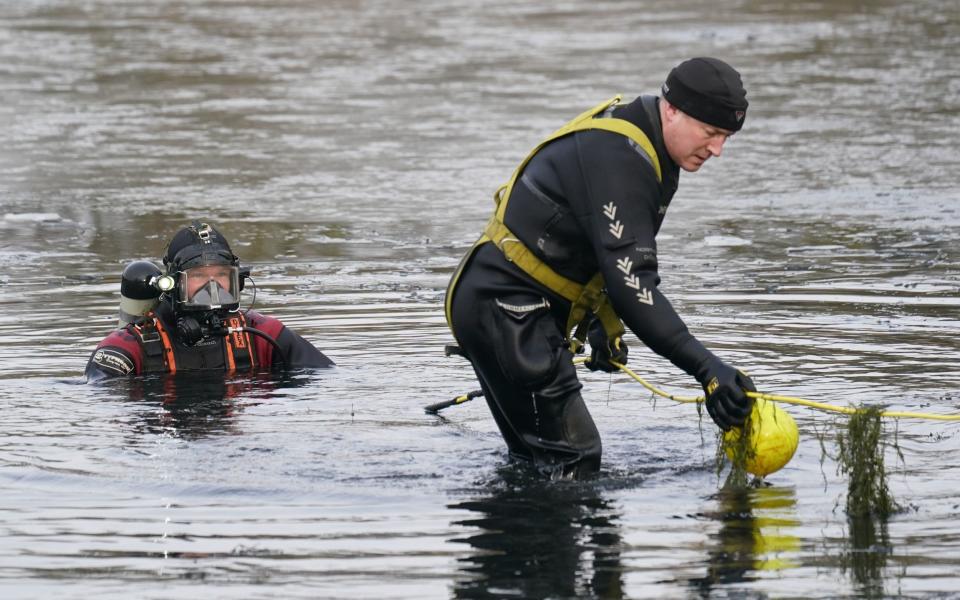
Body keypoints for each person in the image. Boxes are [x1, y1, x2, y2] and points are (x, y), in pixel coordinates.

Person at [444, 57, 756, 477]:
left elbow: (607, 254)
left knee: (537, 465)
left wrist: (600, 324)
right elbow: (633, 283)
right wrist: (707, 369)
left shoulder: (651, 148)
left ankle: (522, 537)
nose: (717, 149)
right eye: (711, 132)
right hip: (506, 308)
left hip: (505, 306)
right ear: (673, 109)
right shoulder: (622, 158)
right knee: (576, 459)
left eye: (727, 137)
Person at [86, 221, 333, 381]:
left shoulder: (262, 336)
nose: (212, 287)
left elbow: (327, 379)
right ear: (173, 283)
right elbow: (104, 401)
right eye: (199, 277)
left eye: (222, 276)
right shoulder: (128, 346)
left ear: (238, 281)